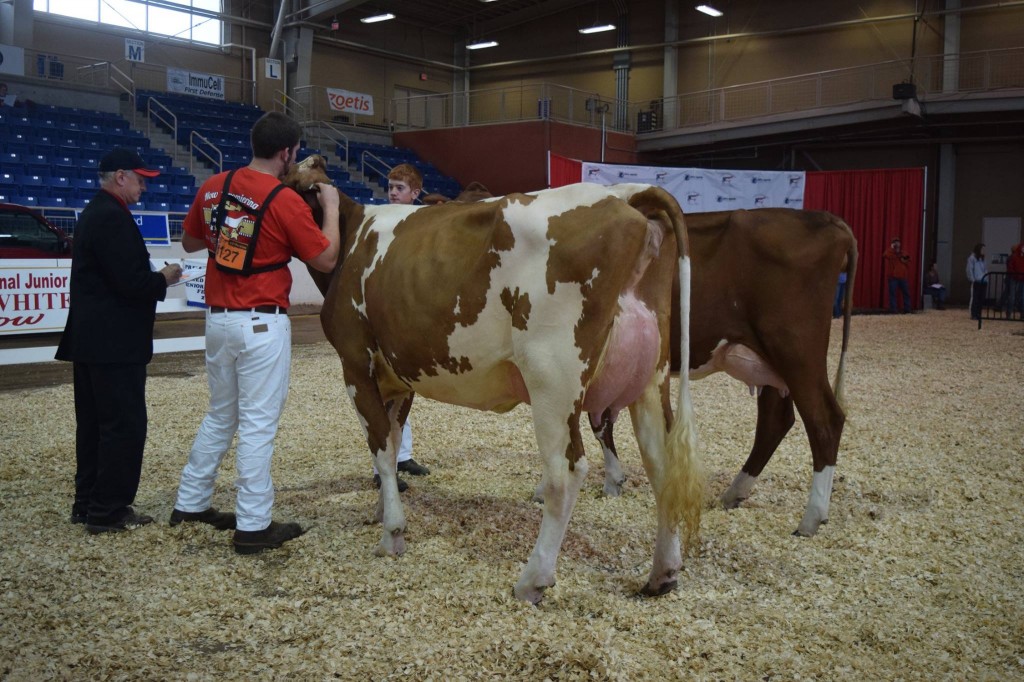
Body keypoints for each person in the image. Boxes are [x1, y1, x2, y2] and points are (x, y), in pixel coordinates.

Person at [171, 111, 340, 555]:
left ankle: (190, 503)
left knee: (221, 415)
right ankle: (252, 525)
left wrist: (229, 236)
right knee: (258, 424)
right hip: (261, 322)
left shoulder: (212, 186)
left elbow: (189, 243)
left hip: (217, 319)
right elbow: (324, 260)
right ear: (288, 152)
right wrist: (335, 210)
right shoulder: (282, 199)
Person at [56, 148, 182, 534]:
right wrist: (166, 277)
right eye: (141, 179)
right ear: (120, 177)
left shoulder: (96, 212)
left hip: (92, 340)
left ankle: (88, 502)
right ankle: (108, 509)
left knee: (93, 424)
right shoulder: (112, 217)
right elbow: (132, 284)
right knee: (123, 425)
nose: (144, 187)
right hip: (114, 343)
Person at [371, 162, 432, 492]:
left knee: (406, 388)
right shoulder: (379, 218)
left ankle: (402, 455)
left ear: (415, 193)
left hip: (411, 310)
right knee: (383, 391)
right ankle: (381, 467)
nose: (391, 192)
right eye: (390, 186)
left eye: (398, 188)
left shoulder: (423, 220)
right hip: (384, 309)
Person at [882, 237, 912, 314]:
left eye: (898, 242)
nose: (897, 244)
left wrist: (904, 259)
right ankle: (893, 310)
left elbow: (908, 260)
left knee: (906, 293)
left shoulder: (903, 252)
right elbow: (885, 255)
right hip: (893, 277)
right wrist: (891, 248)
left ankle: (907, 309)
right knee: (892, 294)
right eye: (895, 242)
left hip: (903, 277)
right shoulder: (891, 253)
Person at [966, 243, 987, 320]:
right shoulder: (972, 258)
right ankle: (973, 313)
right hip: (977, 281)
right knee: (975, 298)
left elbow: (985, 269)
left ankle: (978, 313)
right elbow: (969, 270)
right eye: (983, 249)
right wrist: (972, 279)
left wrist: (986, 278)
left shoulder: (983, 259)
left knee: (981, 298)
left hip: (983, 281)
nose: (984, 251)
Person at [1005, 242, 1024, 319]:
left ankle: (1022, 313)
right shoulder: (1013, 257)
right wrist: (1015, 275)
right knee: (1012, 297)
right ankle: (1009, 313)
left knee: (1021, 297)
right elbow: (1010, 267)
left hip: (1022, 279)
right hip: (1014, 278)